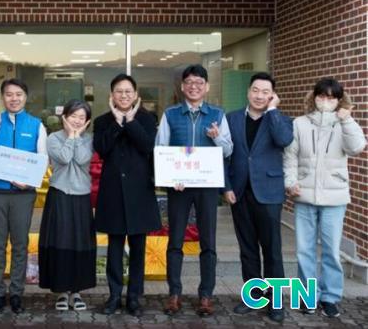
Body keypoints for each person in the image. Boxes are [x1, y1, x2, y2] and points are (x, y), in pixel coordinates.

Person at [284, 78, 366, 318]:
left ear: (339, 100)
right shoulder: (299, 123)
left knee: (331, 250)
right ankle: (307, 297)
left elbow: (357, 147)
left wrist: (347, 119)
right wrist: (290, 182)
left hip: (335, 198)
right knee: (304, 250)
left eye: (331, 97)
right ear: (314, 97)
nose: (325, 101)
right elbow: (290, 156)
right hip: (304, 195)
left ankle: (330, 297)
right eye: (321, 96)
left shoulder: (345, 124)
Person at [156, 64, 233, 317]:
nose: (194, 87)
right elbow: (161, 149)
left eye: (199, 83)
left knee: (208, 242)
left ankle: (206, 295)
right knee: (175, 240)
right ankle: (174, 294)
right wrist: (169, 178)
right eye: (189, 82)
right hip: (179, 187)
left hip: (207, 187)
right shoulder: (170, 114)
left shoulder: (217, 115)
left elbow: (228, 150)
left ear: (206, 87)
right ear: (182, 86)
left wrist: (217, 137)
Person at [223, 72, 293, 323]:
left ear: (273, 95)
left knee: (272, 249)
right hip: (240, 192)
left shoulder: (282, 120)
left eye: (265, 92)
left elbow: (284, 140)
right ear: (248, 91)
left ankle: (276, 301)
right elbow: (224, 156)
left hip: (269, 193)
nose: (259, 95)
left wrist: (273, 111)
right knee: (248, 248)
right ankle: (254, 297)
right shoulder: (231, 119)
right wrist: (226, 186)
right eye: (255, 90)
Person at [0, 78, 47, 314]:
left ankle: (16, 292)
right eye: (9, 94)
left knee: (20, 244)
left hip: (23, 195)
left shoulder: (36, 125)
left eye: (18, 94)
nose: (14, 98)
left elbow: (43, 158)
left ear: (25, 97)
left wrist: (30, 180)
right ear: (3, 97)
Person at [93, 73, 161, 317]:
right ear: (112, 95)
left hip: (139, 192)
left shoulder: (147, 119)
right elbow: (102, 149)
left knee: (138, 248)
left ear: (136, 95)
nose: (123, 95)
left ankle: (134, 297)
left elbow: (147, 146)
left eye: (128, 91)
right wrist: (118, 122)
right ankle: (114, 295)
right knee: (114, 247)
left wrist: (130, 121)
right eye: (119, 92)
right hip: (113, 192)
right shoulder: (102, 121)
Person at [39, 100, 96, 311]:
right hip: (59, 194)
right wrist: (71, 136)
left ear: (87, 121)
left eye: (82, 117)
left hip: (81, 196)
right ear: (65, 116)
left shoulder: (89, 139)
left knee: (80, 242)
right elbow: (63, 158)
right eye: (73, 116)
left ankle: (77, 291)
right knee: (60, 241)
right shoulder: (53, 138)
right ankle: (62, 291)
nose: (77, 121)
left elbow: (81, 159)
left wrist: (77, 137)